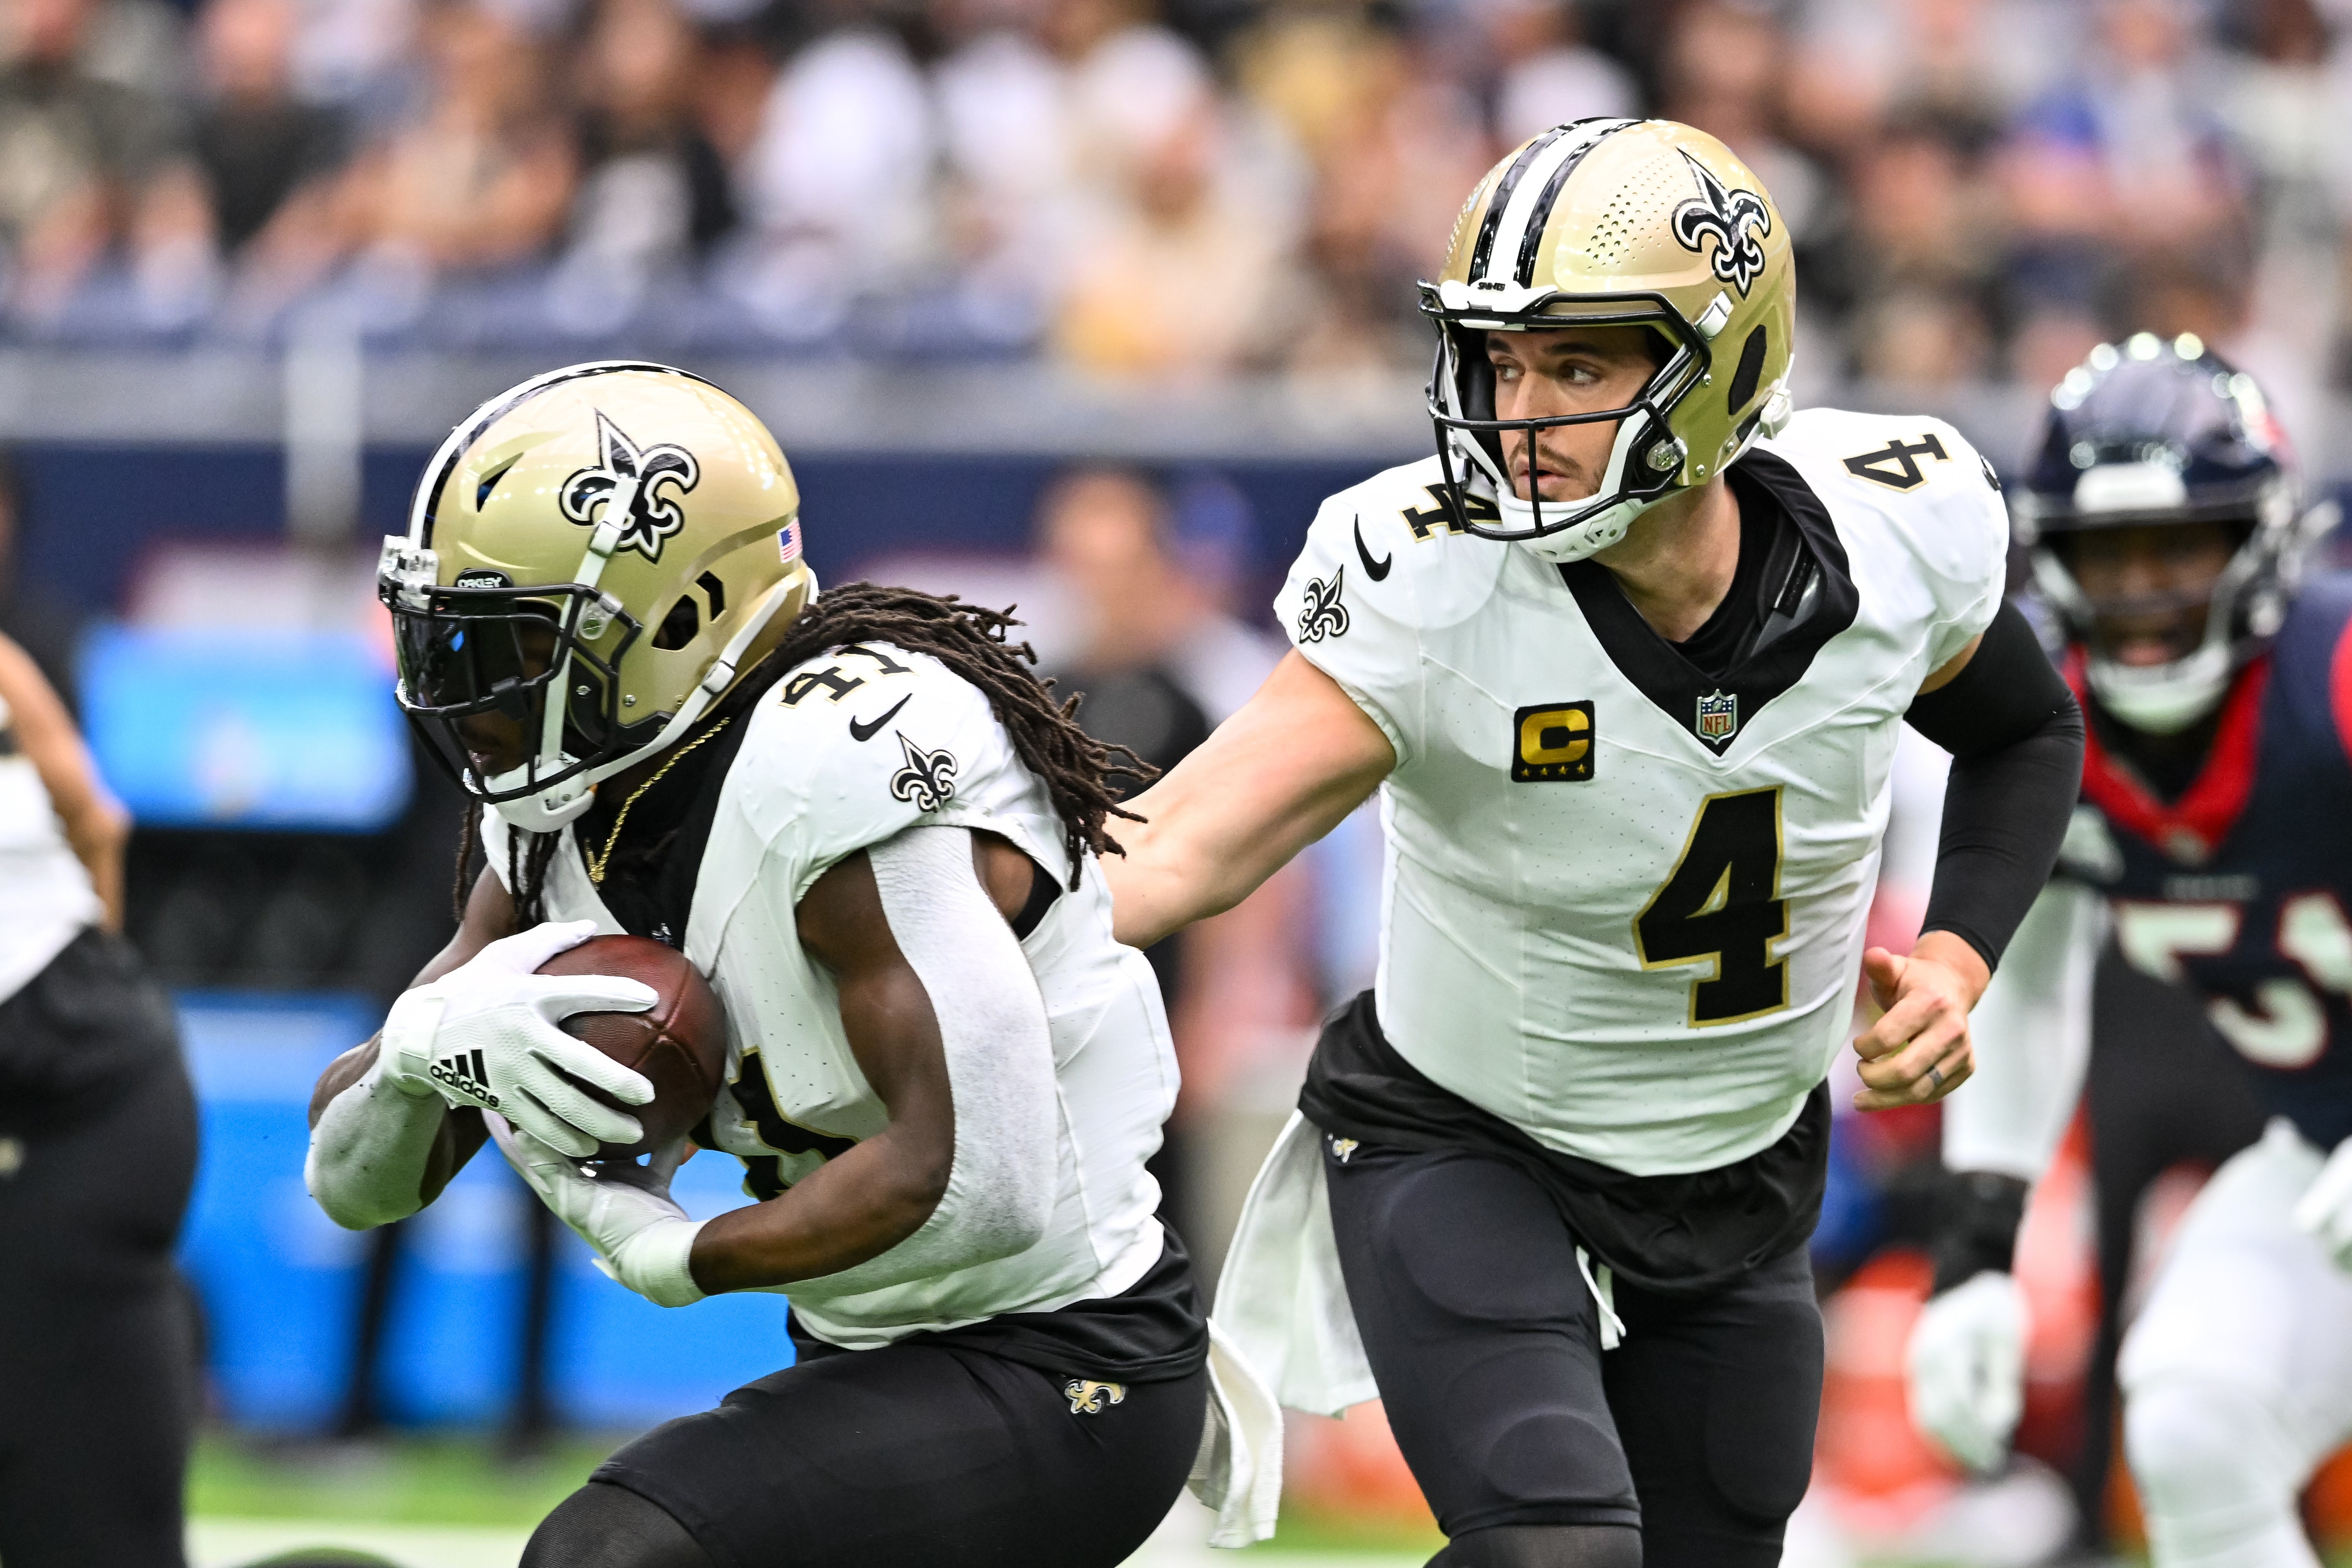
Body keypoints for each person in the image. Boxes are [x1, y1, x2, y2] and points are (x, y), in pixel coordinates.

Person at [1103, 117, 2087, 1565]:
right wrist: (935, 945)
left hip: (1739, 1167)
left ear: (1723, 366)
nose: (1521, 414)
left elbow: (2028, 731)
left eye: (1576, 366)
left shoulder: (1893, 533)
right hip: (1465, 1132)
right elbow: (1179, 845)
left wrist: (1954, 954)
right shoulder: (1435, 579)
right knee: (1556, 1543)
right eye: (1501, 363)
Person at [305, 363, 1209, 1568]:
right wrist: (419, 1052)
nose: (469, 688)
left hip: (1064, 1355)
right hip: (864, 1353)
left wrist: (687, 1254)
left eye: (517, 639)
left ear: (680, 617)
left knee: (610, 1550)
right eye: (452, 639)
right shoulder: (565, 808)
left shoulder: (833, 767)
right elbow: (354, 1188)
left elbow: (986, 1178)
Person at [1906, 336, 2352, 1568]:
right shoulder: (2047, 712)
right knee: (2196, 1414)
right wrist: (1977, 1249)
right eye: (2109, 554)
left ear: (2260, 541)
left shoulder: (2336, 670)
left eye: (2177, 547)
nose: (2144, 589)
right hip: (2321, 1150)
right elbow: (2022, 975)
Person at [0, 631, 199, 1568]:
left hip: (68, 1105)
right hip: (94, 1052)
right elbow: (95, 822)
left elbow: (94, 819)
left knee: (87, 1521)